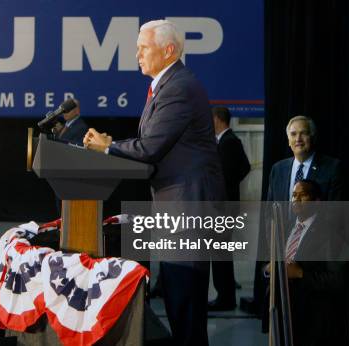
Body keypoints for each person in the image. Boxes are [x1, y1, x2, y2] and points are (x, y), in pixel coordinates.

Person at [84, 19, 224, 346]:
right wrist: (113, 145)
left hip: (188, 208)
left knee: (185, 305)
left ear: (169, 49)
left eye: (143, 48)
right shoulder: (167, 85)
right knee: (179, 303)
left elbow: (150, 147)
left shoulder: (179, 87)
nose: (137, 55)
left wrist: (108, 146)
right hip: (178, 204)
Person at [250, 115, 343, 315]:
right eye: (293, 134)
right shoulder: (278, 169)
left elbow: (334, 214)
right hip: (283, 254)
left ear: (312, 137)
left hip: (314, 264)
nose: (298, 138)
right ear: (288, 140)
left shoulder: (332, 167)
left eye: (303, 133)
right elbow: (270, 214)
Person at [263, 179, 348, 345]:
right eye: (294, 195)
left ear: (317, 202)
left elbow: (338, 280)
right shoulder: (284, 227)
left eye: (303, 195)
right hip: (282, 315)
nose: (296, 200)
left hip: (311, 321)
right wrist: (268, 269)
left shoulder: (329, 234)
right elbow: (270, 263)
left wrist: (301, 273)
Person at [208, 106, 251, 311]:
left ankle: (225, 298)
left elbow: (238, 169)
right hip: (224, 206)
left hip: (222, 208)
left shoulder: (229, 142)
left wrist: (226, 189)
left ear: (217, 119)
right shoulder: (227, 141)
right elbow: (245, 167)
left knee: (220, 253)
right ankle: (225, 293)